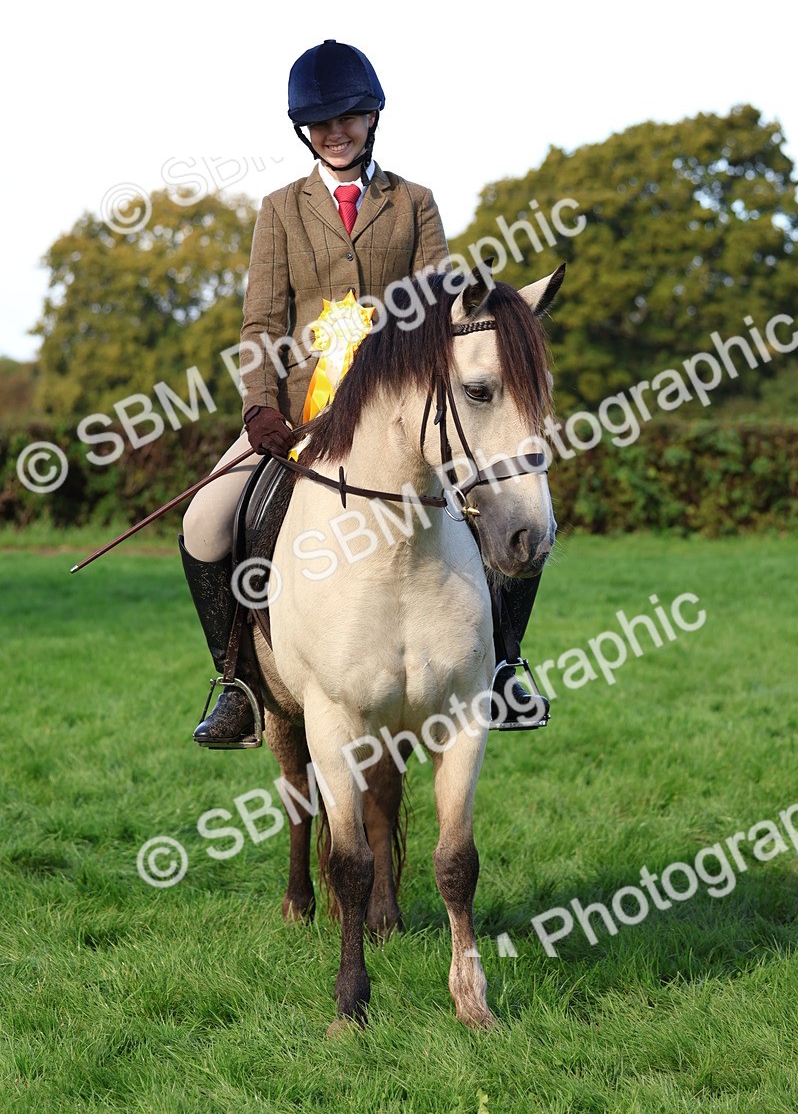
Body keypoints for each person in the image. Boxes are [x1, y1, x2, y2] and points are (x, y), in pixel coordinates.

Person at [179, 39, 544, 748]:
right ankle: (236, 684)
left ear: (372, 118)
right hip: (299, 416)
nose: (335, 131)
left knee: (509, 505)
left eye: (348, 117)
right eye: (321, 123)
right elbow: (261, 318)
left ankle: (501, 666)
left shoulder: (413, 203)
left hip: (400, 418)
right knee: (204, 522)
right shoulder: (280, 209)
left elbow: (440, 307)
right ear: (304, 132)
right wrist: (259, 405)